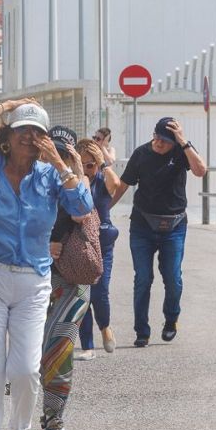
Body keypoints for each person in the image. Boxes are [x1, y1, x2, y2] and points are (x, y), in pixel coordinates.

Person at [0, 99, 92, 430]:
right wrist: (11, 104)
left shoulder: (50, 176)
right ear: (8, 135)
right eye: (23, 129)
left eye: (38, 132)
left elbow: (83, 206)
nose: (30, 137)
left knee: (24, 370)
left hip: (33, 282)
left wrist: (61, 164)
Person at [112, 117, 206, 347]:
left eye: (165, 140)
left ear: (175, 142)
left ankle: (171, 319)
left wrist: (184, 142)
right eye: (156, 137)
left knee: (172, 278)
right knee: (143, 278)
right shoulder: (141, 154)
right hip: (143, 224)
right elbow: (122, 186)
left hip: (174, 225)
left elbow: (200, 171)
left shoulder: (182, 152)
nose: (159, 143)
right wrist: (103, 211)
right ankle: (141, 331)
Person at [40, 125, 92, 430]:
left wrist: (71, 168)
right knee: (32, 352)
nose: (54, 157)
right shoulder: (29, 178)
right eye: (51, 150)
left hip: (72, 276)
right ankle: (19, 420)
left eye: (63, 151)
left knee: (60, 345)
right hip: (31, 272)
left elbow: (81, 213)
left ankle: (55, 420)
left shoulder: (79, 181)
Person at [77, 137, 121, 360]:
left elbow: (116, 184)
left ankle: (105, 327)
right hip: (79, 244)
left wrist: (103, 163)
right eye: (82, 164)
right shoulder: (73, 182)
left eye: (91, 164)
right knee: (82, 294)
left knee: (100, 292)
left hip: (103, 243)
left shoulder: (103, 180)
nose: (87, 169)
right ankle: (87, 346)